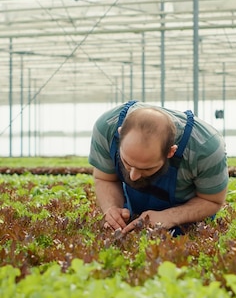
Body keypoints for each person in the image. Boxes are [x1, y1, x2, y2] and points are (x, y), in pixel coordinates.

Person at [88, 100, 228, 236]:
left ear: (171, 152)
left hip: (185, 224)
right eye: (127, 163)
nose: (133, 176)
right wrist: (112, 208)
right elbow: (105, 178)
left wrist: (169, 216)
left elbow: (212, 200)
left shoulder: (205, 148)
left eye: (146, 169)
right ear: (120, 134)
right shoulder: (106, 127)